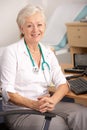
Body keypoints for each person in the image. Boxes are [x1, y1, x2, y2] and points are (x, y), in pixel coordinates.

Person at [0, 4, 87, 130]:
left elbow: (63, 84)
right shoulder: (11, 52)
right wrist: (34, 105)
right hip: (20, 111)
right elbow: (7, 92)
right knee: (57, 125)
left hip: (47, 106)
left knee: (83, 114)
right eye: (30, 25)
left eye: (39, 25)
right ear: (21, 28)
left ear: (44, 26)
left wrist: (53, 101)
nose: (35, 30)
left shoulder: (48, 52)